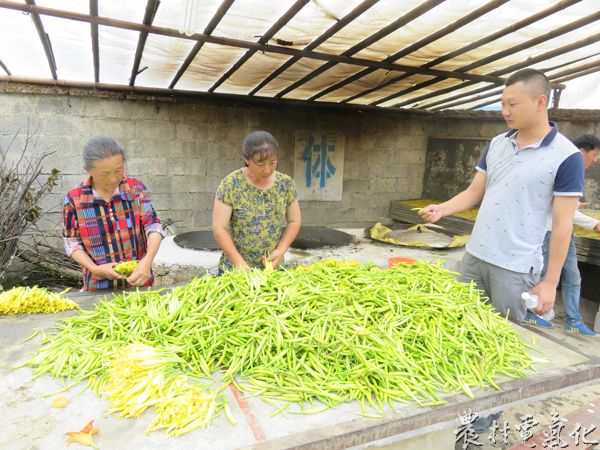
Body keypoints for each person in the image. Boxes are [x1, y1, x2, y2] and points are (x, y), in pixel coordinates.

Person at [419, 68, 585, 328]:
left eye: (513, 104)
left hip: (514, 267)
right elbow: (475, 191)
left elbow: (563, 224)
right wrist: (442, 209)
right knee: (460, 325)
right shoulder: (497, 143)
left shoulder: (567, 156)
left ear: (540, 102)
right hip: (476, 255)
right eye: (502, 104)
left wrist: (551, 282)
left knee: (503, 333)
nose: (505, 111)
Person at [63, 136, 164, 291]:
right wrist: (95, 269)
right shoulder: (75, 199)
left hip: (139, 282)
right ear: (87, 170)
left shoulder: (135, 189)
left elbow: (153, 225)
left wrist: (148, 260)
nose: (113, 179)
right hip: (98, 287)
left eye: (119, 170)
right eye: (105, 174)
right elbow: (72, 241)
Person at [212, 130, 301, 274]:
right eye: (260, 164)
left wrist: (281, 250)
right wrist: (239, 263)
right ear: (247, 160)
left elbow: (294, 221)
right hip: (235, 271)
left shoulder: (286, 184)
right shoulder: (230, 185)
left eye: (272, 162)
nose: (267, 170)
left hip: (272, 270)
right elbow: (219, 228)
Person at [541, 134, 600, 336]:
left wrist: (576, 205)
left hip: (567, 233)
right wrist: (594, 224)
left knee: (573, 275)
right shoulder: (566, 165)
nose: (595, 160)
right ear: (582, 151)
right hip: (550, 231)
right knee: (543, 274)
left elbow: (567, 205)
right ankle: (533, 311)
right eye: (595, 154)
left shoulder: (576, 169)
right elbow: (562, 210)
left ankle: (573, 320)